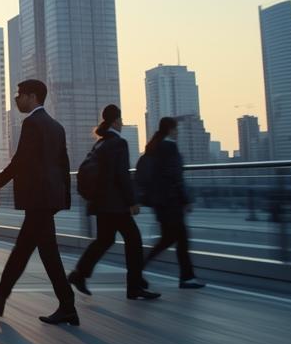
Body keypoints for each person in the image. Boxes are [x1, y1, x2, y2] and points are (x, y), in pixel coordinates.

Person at [0, 80, 78, 325]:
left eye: (19, 95)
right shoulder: (56, 126)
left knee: (29, 250)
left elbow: (20, 161)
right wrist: (64, 198)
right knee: (42, 252)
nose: (16, 99)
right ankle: (63, 306)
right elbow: (64, 165)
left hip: (38, 198)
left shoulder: (32, 123)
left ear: (32, 97)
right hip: (49, 198)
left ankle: (2, 295)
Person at [68, 104, 160, 301]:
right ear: (116, 121)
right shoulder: (119, 143)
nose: (122, 123)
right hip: (116, 204)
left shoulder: (100, 143)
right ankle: (134, 286)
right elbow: (122, 175)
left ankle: (79, 273)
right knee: (134, 241)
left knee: (105, 239)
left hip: (101, 203)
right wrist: (132, 201)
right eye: (121, 120)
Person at [139, 116, 206, 290]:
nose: (177, 132)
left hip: (159, 202)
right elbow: (176, 177)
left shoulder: (153, 147)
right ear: (170, 129)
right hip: (171, 202)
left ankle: (138, 269)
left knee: (167, 239)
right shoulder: (169, 147)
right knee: (181, 238)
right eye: (176, 129)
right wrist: (185, 199)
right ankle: (187, 278)